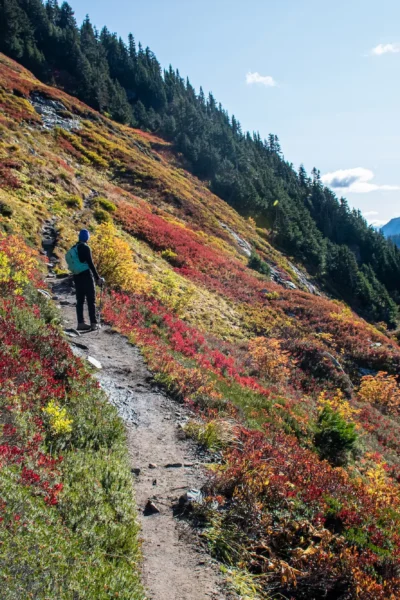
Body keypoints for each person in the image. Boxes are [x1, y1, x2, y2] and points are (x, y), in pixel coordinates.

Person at [69, 229, 104, 331]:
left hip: (77, 277)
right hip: (87, 277)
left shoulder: (73, 248)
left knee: (79, 300)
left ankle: (81, 323)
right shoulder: (85, 248)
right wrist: (97, 278)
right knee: (91, 300)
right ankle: (93, 323)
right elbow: (90, 264)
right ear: (87, 238)